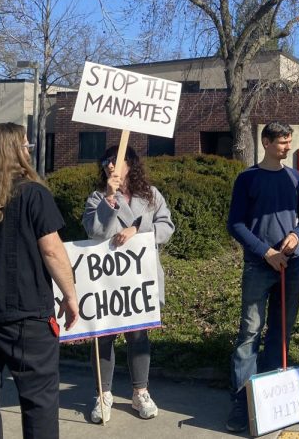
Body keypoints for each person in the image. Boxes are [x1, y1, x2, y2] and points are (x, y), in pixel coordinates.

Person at [0, 122, 79, 439]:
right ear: (16, 151)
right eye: (26, 144)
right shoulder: (33, 193)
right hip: (27, 314)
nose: (29, 150)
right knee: (39, 400)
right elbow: (52, 251)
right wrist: (71, 295)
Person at [226, 122, 299, 433]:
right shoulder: (247, 178)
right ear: (266, 142)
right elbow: (235, 224)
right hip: (258, 266)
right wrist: (266, 252)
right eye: (282, 142)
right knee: (249, 334)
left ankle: (272, 402)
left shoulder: (295, 177)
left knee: (281, 331)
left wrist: (295, 235)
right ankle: (243, 402)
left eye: (290, 141)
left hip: (292, 265)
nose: (288, 147)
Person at [82, 145, 175, 423]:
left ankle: (140, 392)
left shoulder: (151, 195)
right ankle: (104, 393)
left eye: (116, 161)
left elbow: (167, 227)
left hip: (139, 279)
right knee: (105, 337)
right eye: (106, 161)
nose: (110, 166)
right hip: (109, 280)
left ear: (130, 165)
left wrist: (138, 230)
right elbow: (94, 231)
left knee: (138, 335)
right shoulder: (97, 198)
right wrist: (109, 200)